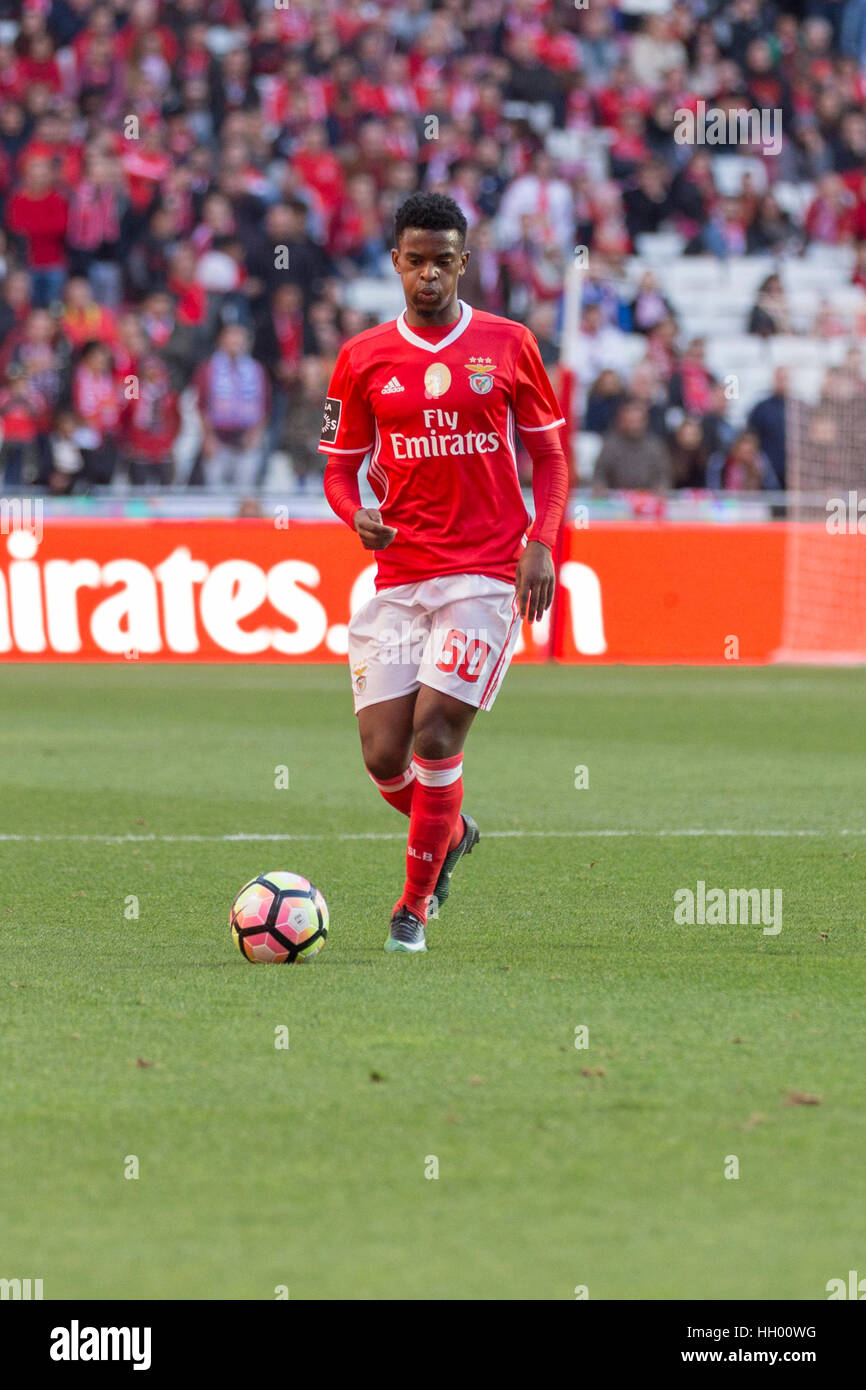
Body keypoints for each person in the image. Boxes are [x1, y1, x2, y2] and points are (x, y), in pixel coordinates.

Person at [319, 193, 568, 954]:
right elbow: (337, 470)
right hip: (399, 577)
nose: (429, 275)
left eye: (444, 261)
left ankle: (411, 911)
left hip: (486, 573)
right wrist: (352, 514)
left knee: (433, 735)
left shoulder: (510, 343)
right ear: (395, 262)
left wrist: (542, 539)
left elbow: (551, 457)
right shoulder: (362, 358)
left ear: (465, 262)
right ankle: (451, 830)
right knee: (382, 755)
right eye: (415, 260)